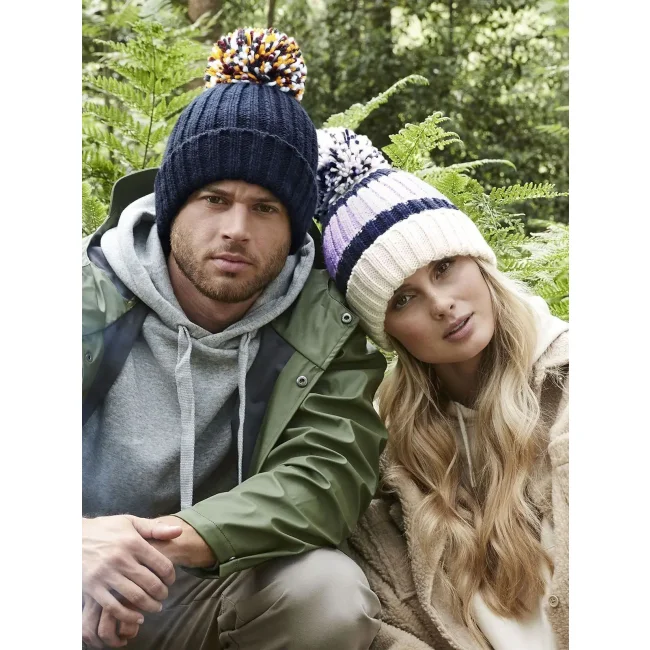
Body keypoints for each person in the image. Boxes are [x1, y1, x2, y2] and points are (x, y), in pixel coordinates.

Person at [82, 31, 387, 650]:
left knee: (329, 593)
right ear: (172, 205)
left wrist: (156, 545)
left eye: (266, 207)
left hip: (209, 584)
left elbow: (326, 475)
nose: (236, 229)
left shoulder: (325, 326)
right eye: (214, 199)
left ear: (295, 228)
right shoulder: (80, 298)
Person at [315, 128, 569, 650]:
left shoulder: (571, 381)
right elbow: (391, 620)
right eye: (403, 298)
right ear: (385, 329)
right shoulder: (390, 446)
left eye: (444, 268)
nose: (441, 304)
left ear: (477, 260)